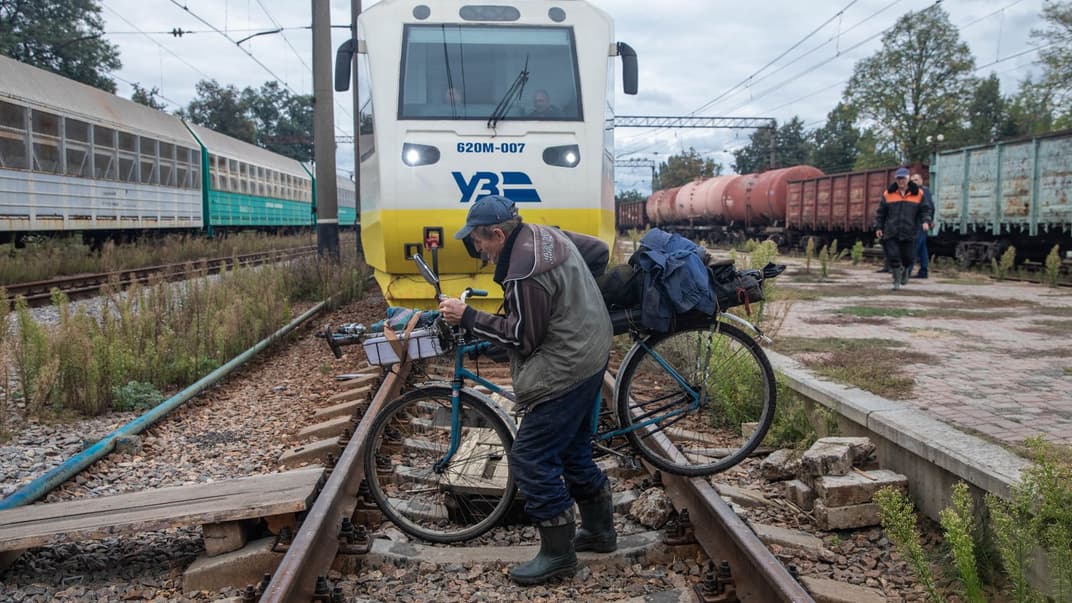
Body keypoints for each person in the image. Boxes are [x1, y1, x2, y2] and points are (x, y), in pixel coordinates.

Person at [438, 195, 615, 585]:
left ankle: (558, 555)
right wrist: (572, 303)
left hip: (568, 364)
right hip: (592, 345)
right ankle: (600, 531)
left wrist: (468, 316)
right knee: (571, 449)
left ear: (498, 235)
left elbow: (522, 339)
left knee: (531, 457)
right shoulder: (542, 234)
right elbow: (598, 253)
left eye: (479, 242)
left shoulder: (524, 270)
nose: (478, 250)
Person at [875, 167, 932, 290]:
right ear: (895, 179)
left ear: (908, 179)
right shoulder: (888, 194)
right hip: (892, 230)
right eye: (898, 178)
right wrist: (879, 227)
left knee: (908, 257)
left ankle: (906, 270)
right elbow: (881, 212)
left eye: (903, 178)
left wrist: (926, 221)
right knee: (893, 256)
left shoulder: (918, 193)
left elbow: (925, 209)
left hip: (910, 231)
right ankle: (896, 281)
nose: (901, 181)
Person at [908, 173, 934, 278]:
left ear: (921, 180)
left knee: (914, 247)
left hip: (921, 224)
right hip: (916, 223)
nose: (914, 182)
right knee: (922, 248)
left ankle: (907, 271)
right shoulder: (914, 191)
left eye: (916, 180)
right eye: (912, 180)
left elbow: (929, 207)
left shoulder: (923, 191)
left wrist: (927, 221)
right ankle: (923, 271)